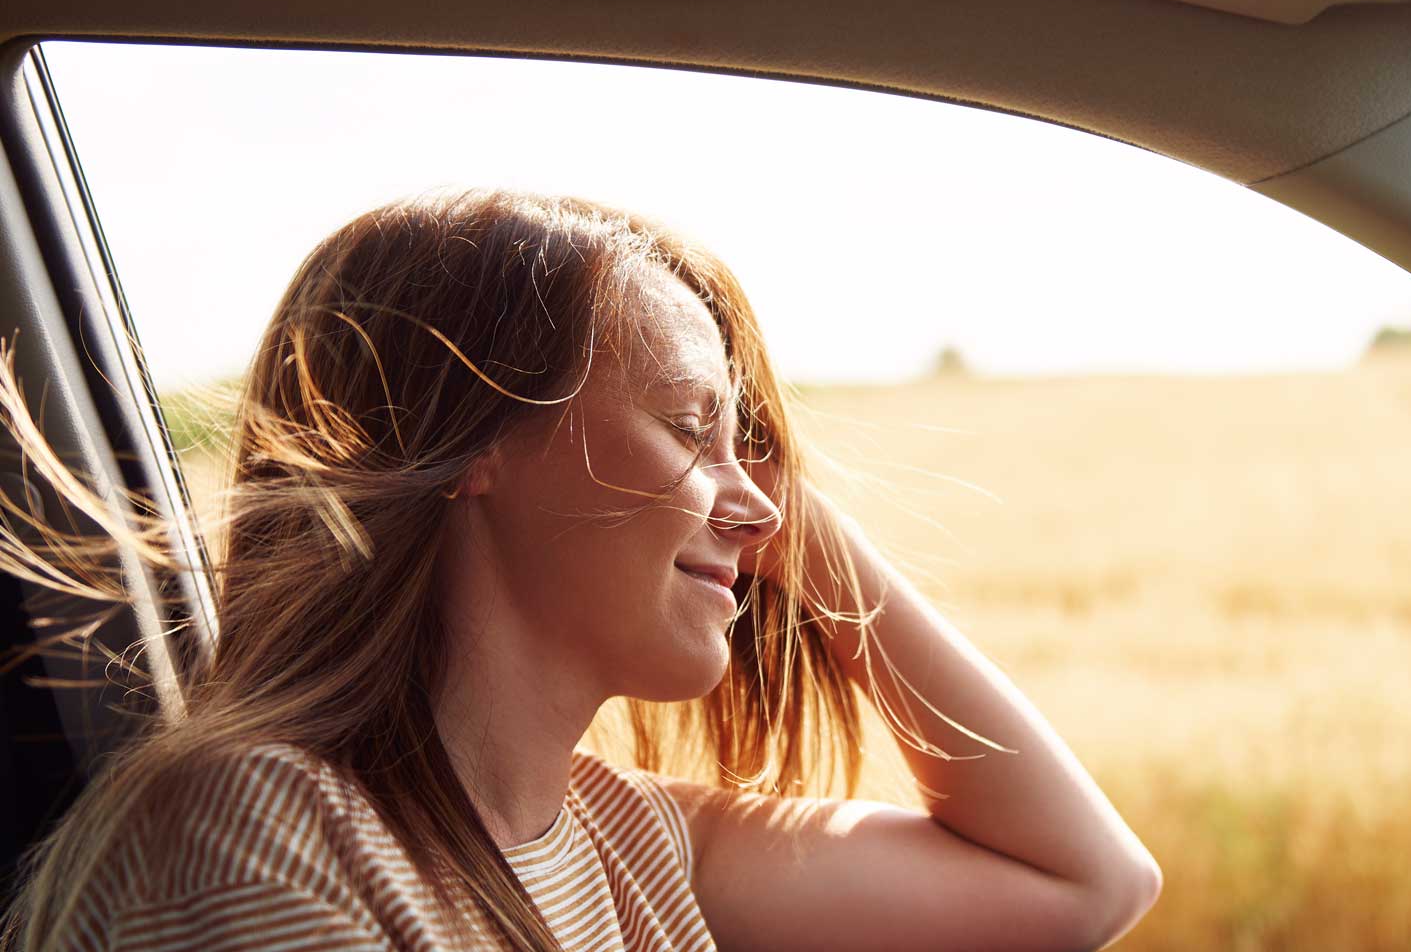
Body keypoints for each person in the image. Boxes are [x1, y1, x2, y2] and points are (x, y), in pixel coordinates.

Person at [0, 189, 1161, 950]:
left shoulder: (625, 841)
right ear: (469, 448)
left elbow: (1087, 887)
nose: (757, 509)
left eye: (744, 447)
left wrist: (768, 502)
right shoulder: (257, 827)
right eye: (684, 424)